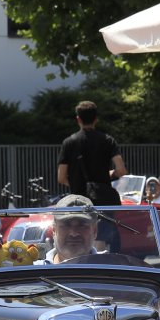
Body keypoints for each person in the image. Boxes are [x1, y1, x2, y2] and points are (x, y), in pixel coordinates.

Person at [57, 101, 125, 251]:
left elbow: (61, 177)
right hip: (103, 202)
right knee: (99, 239)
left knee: (79, 238)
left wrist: (76, 184)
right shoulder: (108, 141)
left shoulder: (69, 143)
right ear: (96, 119)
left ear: (78, 119)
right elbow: (121, 170)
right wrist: (109, 175)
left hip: (78, 203)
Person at [44, 194, 100, 263]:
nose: (74, 233)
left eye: (82, 225)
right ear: (54, 230)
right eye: (66, 225)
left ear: (94, 231)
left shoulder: (109, 267)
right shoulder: (35, 268)